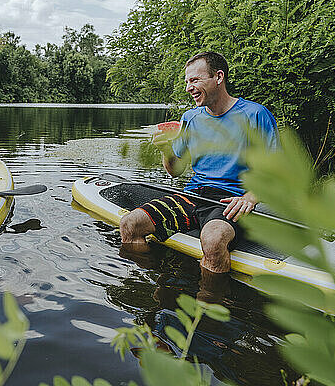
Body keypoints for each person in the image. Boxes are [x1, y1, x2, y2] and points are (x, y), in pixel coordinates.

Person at [120, 51, 280, 274]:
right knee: (130, 225)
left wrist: (250, 198)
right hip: (193, 196)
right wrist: (166, 149)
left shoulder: (256, 115)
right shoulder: (190, 118)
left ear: (218, 77)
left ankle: (211, 303)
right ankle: (156, 279)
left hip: (230, 201)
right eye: (187, 82)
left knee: (213, 241)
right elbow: (175, 171)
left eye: (195, 80)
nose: (188, 88)